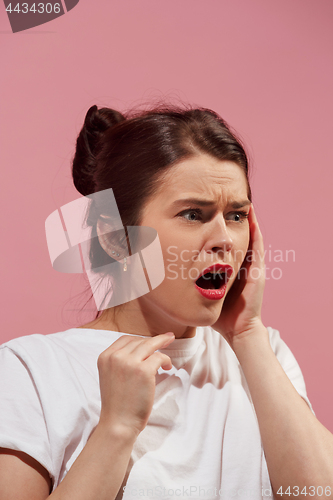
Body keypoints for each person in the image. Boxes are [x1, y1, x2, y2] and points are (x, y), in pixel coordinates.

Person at [0, 104, 332, 500]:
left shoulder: (264, 355)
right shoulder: (29, 372)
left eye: (237, 215)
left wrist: (248, 334)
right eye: (194, 214)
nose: (224, 239)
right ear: (114, 236)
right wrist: (116, 430)